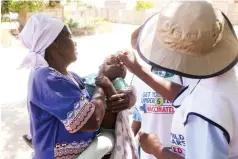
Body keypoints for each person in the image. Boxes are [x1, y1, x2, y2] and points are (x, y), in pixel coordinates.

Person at [119, 1, 238, 159]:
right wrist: (139, 70)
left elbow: (200, 106)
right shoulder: (220, 76)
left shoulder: (204, 113)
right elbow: (187, 96)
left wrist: (157, 150)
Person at [19, 13, 136, 159]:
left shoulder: (71, 78)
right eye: (69, 37)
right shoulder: (45, 77)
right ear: (54, 44)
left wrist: (128, 93)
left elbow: (98, 104)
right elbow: (91, 121)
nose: (75, 43)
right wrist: (103, 79)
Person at [130, 27, 183, 159]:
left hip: (179, 154)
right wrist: (127, 140)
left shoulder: (186, 76)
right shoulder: (138, 77)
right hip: (148, 154)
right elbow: (139, 115)